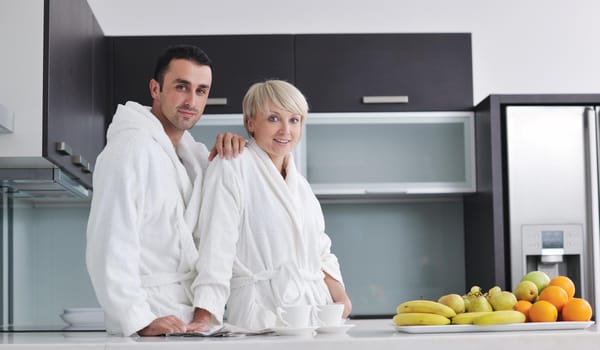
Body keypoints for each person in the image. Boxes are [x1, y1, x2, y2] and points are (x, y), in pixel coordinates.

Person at [86, 45, 245, 336]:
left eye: (201, 91)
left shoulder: (193, 158)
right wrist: (140, 319)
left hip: (188, 320)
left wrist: (232, 148)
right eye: (182, 87)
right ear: (155, 88)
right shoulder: (129, 149)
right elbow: (109, 243)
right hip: (148, 318)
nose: (191, 100)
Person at [187, 80, 352, 332]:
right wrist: (204, 315)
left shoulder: (302, 187)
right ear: (251, 123)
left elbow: (320, 252)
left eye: (295, 120)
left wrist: (340, 299)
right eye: (274, 118)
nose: (286, 130)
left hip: (314, 314)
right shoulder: (231, 166)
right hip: (260, 314)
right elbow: (216, 247)